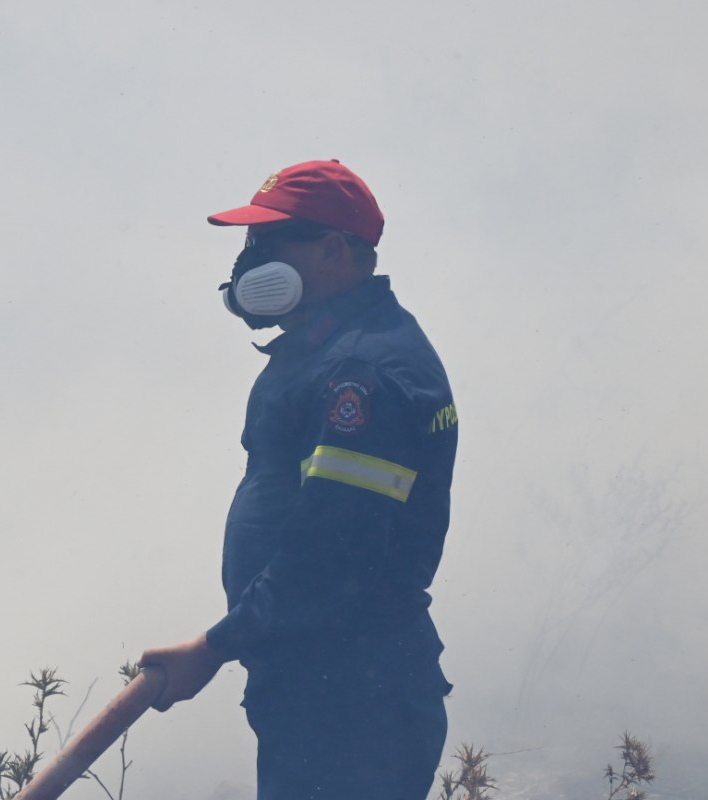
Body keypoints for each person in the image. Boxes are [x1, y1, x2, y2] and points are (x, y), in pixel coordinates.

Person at [139, 159, 458, 799]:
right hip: (325, 695)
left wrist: (212, 648)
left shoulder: (362, 373)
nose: (249, 261)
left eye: (267, 242)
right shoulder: (325, 354)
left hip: (354, 709)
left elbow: (333, 554)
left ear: (333, 250)